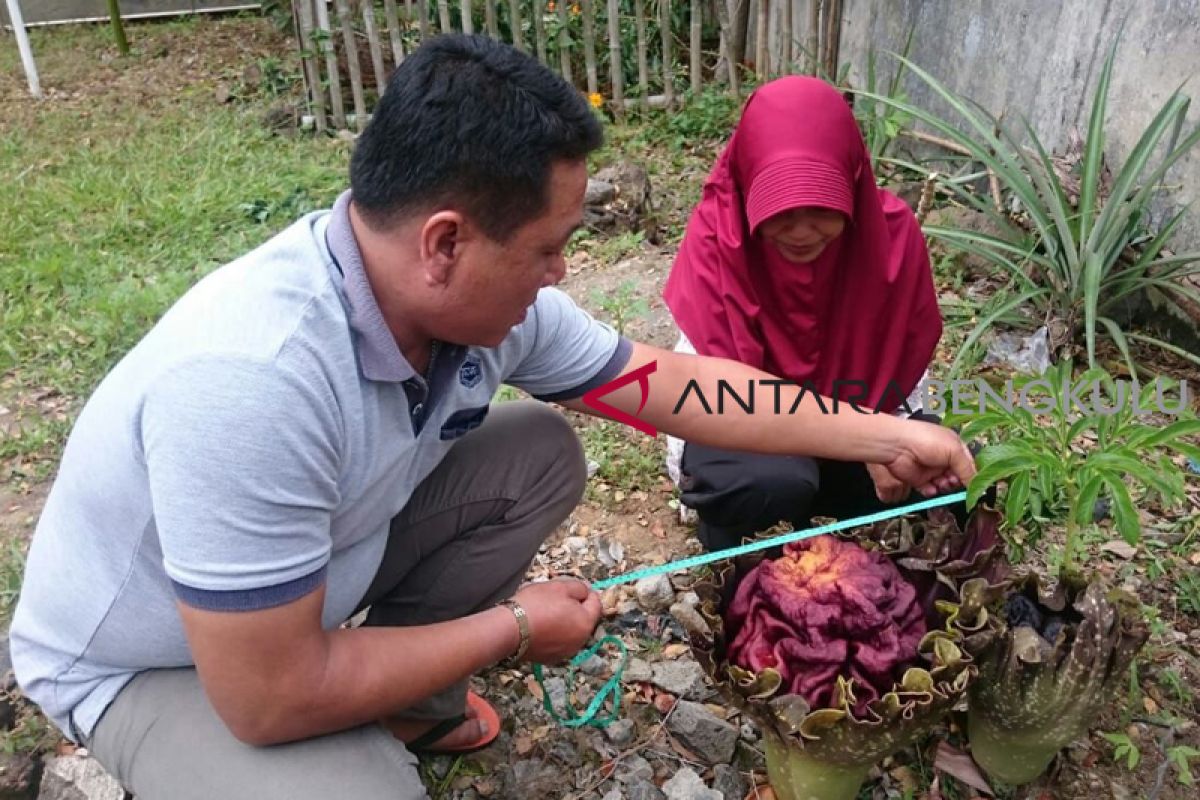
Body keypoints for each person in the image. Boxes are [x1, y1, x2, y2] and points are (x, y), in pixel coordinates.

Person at [8, 36, 975, 800]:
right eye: (549, 250)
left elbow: (671, 384)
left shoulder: (468, 301)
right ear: (445, 244)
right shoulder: (250, 381)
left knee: (537, 452)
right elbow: (267, 696)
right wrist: (512, 628)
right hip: (158, 661)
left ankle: (406, 700)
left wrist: (881, 434)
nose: (560, 276)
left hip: (311, 577)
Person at [662, 75, 959, 554]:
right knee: (775, 481)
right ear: (746, 192)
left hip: (858, 436)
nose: (801, 231)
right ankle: (740, 550)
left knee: (956, 470)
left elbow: (905, 365)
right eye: (778, 209)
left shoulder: (891, 239)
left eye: (822, 206)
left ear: (854, 185)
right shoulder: (720, 239)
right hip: (755, 442)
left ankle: (843, 524)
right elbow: (705, 392)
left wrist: (885, 434)